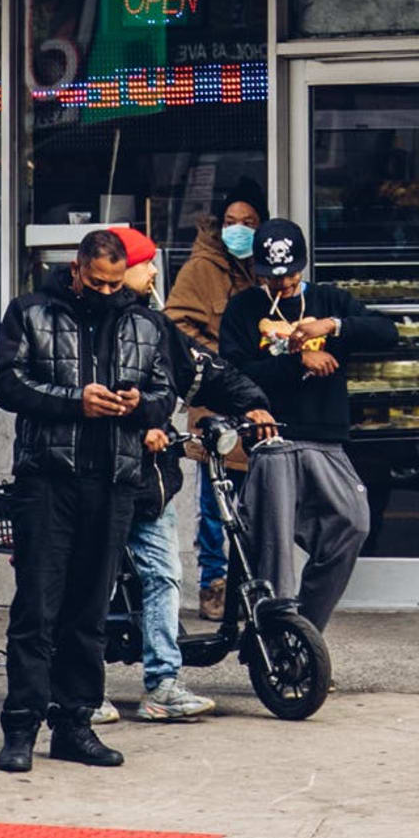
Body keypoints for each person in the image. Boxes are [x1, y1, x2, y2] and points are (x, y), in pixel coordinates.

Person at [0, 231, 183, 772]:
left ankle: (76, 723)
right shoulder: (30, 312)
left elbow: (168, 394)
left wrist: (143, 404)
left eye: (115, 283)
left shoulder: (145, 322)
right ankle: (21, 727)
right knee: (37, 609)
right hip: (48, 481)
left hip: (115, 482)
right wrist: (77, 403)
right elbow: (6, 385)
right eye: (96, 281)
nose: (105, 290)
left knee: (90, 613)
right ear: (76, 269)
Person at [92, 227, 246, 724]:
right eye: (145, 262)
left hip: (152, 484)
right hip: (97, 481)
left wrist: (255, 403)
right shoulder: (86, 325)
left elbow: (197, 374)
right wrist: (139, 427)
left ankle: (163, 682)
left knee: (165, 576)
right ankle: (84, 689)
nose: (154, 272)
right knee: (91, 585)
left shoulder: (156, 327)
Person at [220, 220, 391, 630]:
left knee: (352, 523)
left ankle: (306, 631)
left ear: (304, 267)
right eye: (271, 277)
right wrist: (297, 361)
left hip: (326, 436)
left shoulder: (329, 299)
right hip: (273, 438)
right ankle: (275, 640)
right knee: (273, 549)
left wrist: (331, 326)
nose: (282, 285)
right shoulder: (244, 309)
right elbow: (236, 373)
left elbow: (387, 332)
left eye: (291, 275)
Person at [168, 186, 267, 616]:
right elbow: (176, 324)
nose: (238, 230)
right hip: (215, 397)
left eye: (247, 222)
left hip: (257, 397)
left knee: (256, 498)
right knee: (214, 498)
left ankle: (251, 580)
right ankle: (214, 583)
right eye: (230, 222)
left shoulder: (266, 269)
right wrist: (215, 352)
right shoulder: (199, 269)